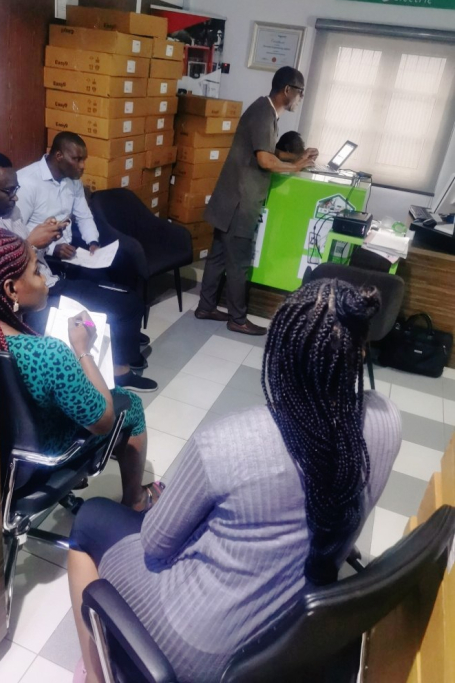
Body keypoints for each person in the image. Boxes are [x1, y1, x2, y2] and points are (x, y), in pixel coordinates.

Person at [67, 278, 401, 683]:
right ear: (358, 352)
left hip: (197, 647)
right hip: (290, 631)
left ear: (278, 355)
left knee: (90, 519)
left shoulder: (229, 442)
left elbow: (155, 543)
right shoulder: (387, 421)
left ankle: (96, 674)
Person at [0, 225, 163, 511]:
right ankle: (136, 500)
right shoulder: (47, 354)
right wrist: (82, 349)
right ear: (11, 289)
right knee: (131, 404)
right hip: (42, 456)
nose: (44, 280)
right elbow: (103, 422)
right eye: (37, 271)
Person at [0, 150, 157, 392]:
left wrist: (47, 240)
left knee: (126, 298)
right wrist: (31, 243)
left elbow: (30, 253)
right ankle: (118, 371)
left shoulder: (8, 210)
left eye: (16, 189)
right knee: (114, 311)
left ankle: (122, 348)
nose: (15, 198)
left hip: (46, 281)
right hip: (22, 302)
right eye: (9, 191)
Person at [195, 66, 318, 336]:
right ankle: (238, 319)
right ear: (287, 90)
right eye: (300, 92)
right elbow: (264, 160)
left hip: (229, 198)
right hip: (239, 203)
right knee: (238, 264)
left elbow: (268, 151)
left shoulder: (265, 111)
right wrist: (296, 167)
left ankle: (206, 307)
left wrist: (296, 157)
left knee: (217, 257)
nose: (300, 98)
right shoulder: (264, 114)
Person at [17, 131, 142, 294]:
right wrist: (53, 248)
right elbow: (17, 230)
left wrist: (93, 242)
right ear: (59, 156)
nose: (82, 166)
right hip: (42, 256)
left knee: (123, 262)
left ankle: (127, 299)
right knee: (96, 283)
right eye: (77, 159)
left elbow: (84, 216)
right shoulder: (27, 181)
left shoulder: (73, 180)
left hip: (70, 248)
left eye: (84, 159)